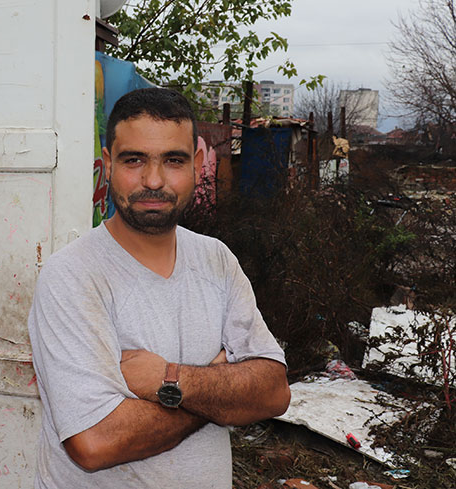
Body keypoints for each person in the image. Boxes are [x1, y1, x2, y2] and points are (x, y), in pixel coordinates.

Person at [27, 87, 291, 488]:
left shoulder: (216, 260)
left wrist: (169, 380)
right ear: (107, 164)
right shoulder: (73, 276)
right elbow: (95, 441)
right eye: (134, 160)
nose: (153, 180)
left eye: (173, 160)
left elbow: (273, 393)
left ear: (198, 164)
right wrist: (219, 393)